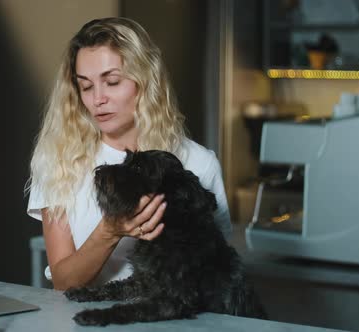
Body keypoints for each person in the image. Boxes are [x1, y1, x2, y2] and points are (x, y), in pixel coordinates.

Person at [27, 17, 231, 290]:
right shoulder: (60, 161)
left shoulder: (198, 163)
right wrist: (109, 232)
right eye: (86, 86)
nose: (98, 99)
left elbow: (219, 273)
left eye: (112, 81)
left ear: (145, 81)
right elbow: (63, 283)